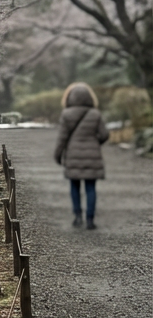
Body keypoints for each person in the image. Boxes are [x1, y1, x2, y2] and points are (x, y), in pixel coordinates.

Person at [54, 83, 109, 229]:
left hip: (73, 155)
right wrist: (95, 143)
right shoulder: (95, 113)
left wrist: (58, 155)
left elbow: (62, 138)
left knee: (74, 186)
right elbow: (104, 135)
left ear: (70, 98)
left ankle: (77, 217)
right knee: (91, 187)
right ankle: (90, 220)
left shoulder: (66, 114)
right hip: (93, 155)